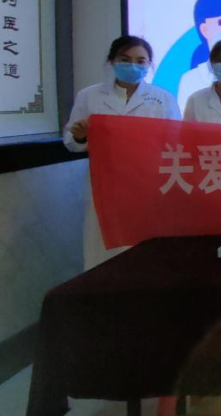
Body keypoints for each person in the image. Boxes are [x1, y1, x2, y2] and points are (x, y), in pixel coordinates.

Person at [64, 36, 180, 270]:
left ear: (149, 64)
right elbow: (71, 141)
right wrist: (80, 136)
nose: (133, 66)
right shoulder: (89, 95)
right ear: (112, 61)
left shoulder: (163, 98)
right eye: (125, 59)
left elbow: (177, 142)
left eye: (140, 61)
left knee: (147, 250)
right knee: (103, 250)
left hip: (149, 184)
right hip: (104, 184)